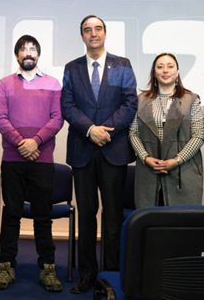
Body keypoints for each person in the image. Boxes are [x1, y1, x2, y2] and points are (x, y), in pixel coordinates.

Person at [61, 15, 137, 294]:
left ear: (105, 33)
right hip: (82, 149)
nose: (93, 34)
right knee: (87, 214)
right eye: (87, 30)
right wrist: (90, 129)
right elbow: (67, 106)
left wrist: (107, 131)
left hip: (113, 149)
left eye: (97, 29)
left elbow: (130, 103)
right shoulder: (72, 68)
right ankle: (87, 275)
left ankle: (110, 274)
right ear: (82, 36)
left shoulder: (122, 65)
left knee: (114, 215)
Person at [0, 35, 64, 293]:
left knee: (43, 217)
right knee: (11, 214)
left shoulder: (53, 84)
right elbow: (0, 119)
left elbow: (57, 119)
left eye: (32, 49)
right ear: (17, 55)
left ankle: (47, 268)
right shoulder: (4, 84)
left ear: (39, 54)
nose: (28, 53)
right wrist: (23, 143)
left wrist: (35, 142)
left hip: (42, 161)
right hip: (13, 160)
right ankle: (6, 266)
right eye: (23, 49)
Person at [129, 53, 204, 207]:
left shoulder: (191, 99)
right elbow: (133, 133)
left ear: (177, 71)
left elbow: (199, 136)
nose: (165, 70)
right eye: (160, 66)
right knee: (151, 224)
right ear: (154, 72)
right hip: (148, 172)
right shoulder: (141, 100)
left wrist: (176, 161)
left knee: (181, 225)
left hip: (183, 173)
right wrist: (145, 158)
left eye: (170, 66)